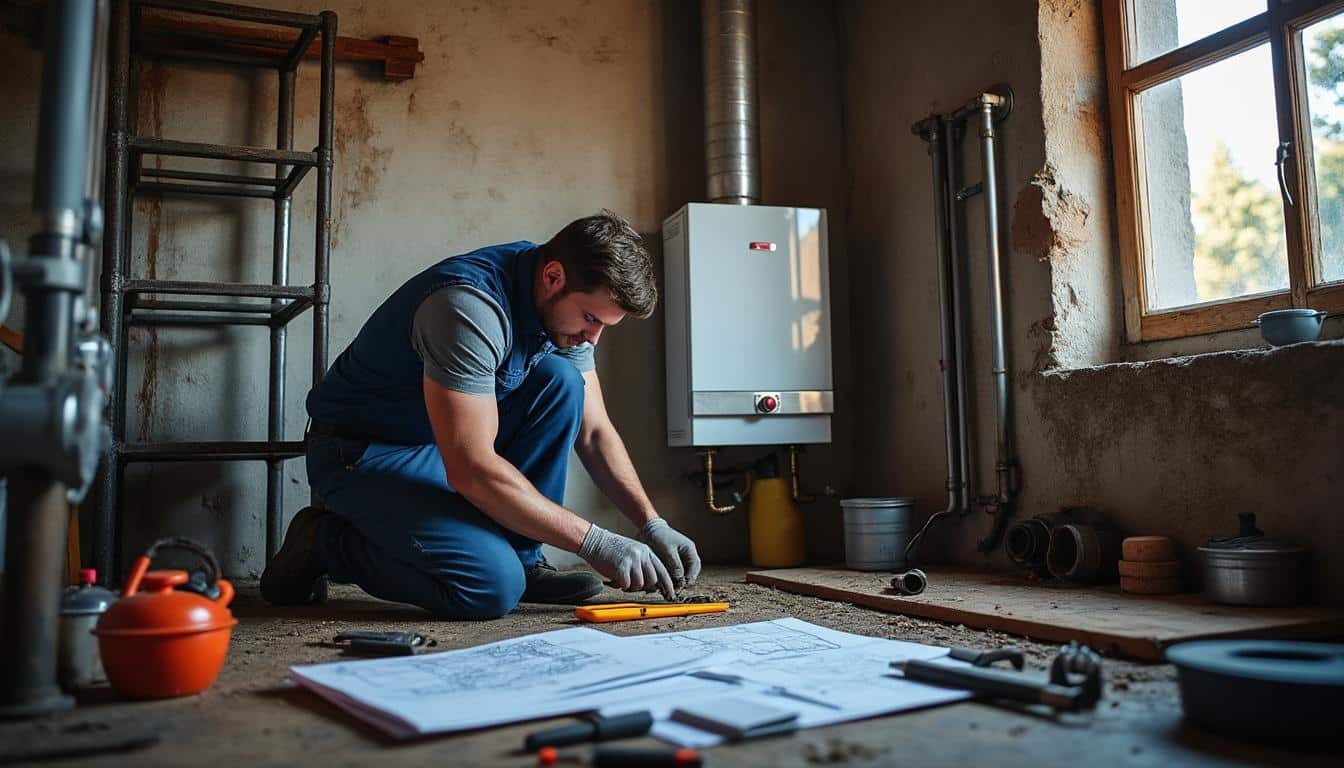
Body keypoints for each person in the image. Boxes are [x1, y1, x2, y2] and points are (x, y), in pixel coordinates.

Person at [260, 210, 701, 618]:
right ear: (553, 277)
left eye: (604, 325)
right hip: (364, 453)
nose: (593, 339)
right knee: (488, 586)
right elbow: (471, 467)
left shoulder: (562, 318)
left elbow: (595, 432)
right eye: (589, 319)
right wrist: (595, 541)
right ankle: (323, 542)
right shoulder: (467, 308)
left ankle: (525, 558)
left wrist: (650, 523)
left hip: (441, 445)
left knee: (561, 383)